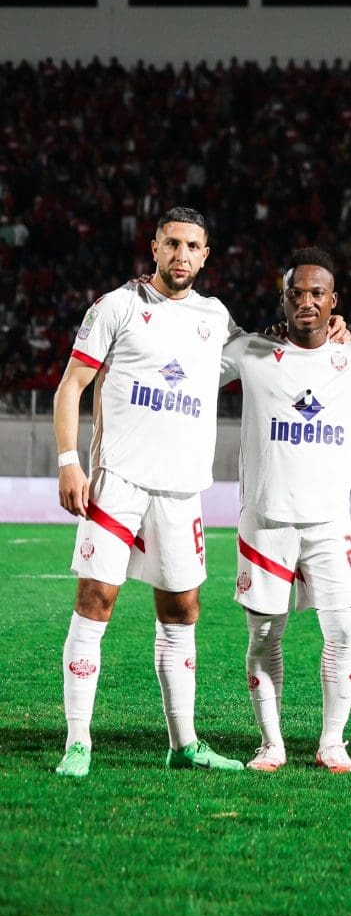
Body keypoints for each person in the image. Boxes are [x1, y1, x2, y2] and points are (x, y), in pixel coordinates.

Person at [53, 207, 245, 775]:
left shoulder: (215, 317)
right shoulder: (118, 306)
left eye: (193, 247)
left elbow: (259, 358)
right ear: (154, 247)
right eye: (172, 244)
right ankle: (78, 741)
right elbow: (70, 387)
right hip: (118, 481)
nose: (182, 255)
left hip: (181, 490)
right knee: (96, 602)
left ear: (206, 256)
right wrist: (69, 462)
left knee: (182, 609)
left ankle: (183, 743)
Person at [219, 248, 351, 773]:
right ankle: (271, 743)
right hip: (265, 522)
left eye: (316, 294)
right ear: (283, 299)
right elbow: (192, 361)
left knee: (343, 633)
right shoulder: (252, 352)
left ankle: (332, 742)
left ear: (333, 302)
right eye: (296, 293)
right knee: (264, 635)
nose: (306, 302)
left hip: (329, 525)